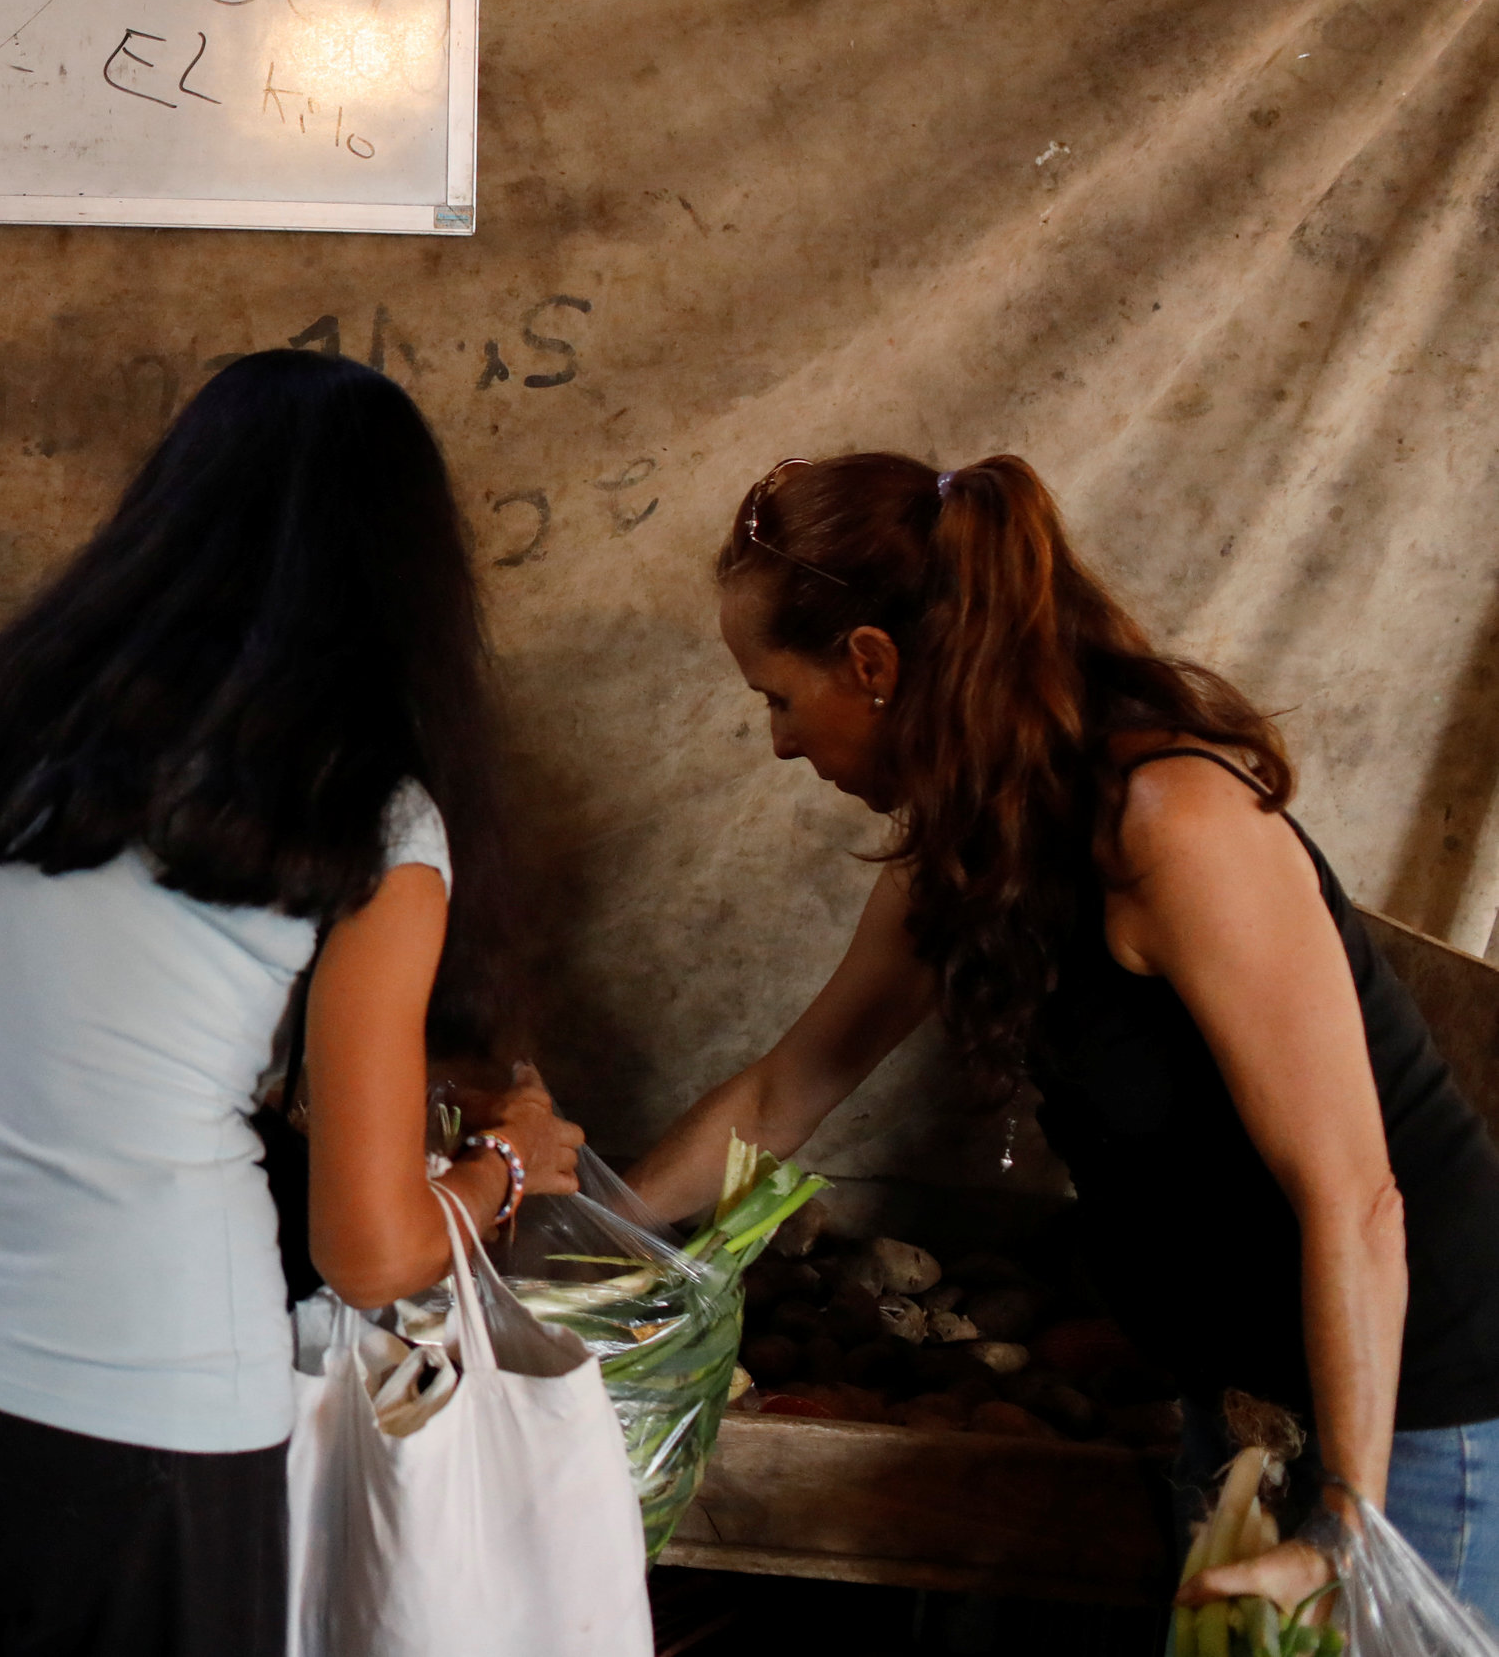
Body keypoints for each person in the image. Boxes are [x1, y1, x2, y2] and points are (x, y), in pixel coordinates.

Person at [633, 453, 1499, 1624]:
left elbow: (1353, 1198)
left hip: (1413, 1409)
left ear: (872, 662)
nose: (780, 742)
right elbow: (787, 1087)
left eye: (776, 697)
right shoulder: (962, 850)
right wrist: (569, 1238)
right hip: (1238, 1393)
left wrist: (1346, 1515)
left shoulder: (1171, 825)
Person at [0, 349, 584, 1657]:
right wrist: (511, 1165)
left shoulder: (9, 725)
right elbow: (373, 1248)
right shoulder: (373, 814)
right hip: (136, 1400)